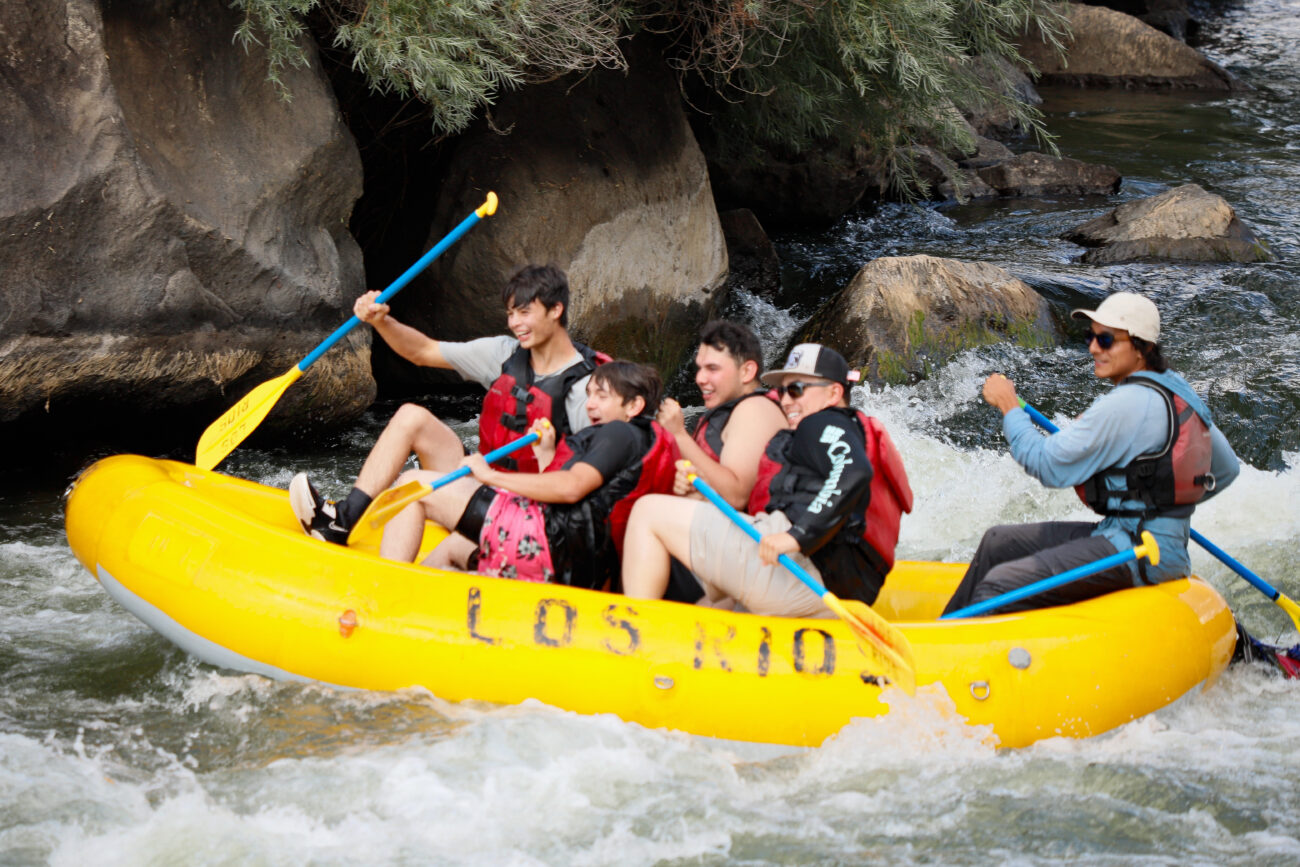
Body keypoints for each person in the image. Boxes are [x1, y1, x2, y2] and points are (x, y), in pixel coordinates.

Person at [941, 292, 1241, 616]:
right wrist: (1162, 504)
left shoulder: (1123, 405)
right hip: (1136, 538)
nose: (1093, 348)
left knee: (1000, 583)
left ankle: (954, 660)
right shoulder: (1178, 392)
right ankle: (939, 635)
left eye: (1106, 339)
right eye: (1091, 336)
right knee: (998, 542)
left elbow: (1047, 465)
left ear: (1142, 348)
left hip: (1140, 554)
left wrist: (1009, 407)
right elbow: (1225, 470)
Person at [290, 264, 607, 543]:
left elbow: (585, 486)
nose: (515, 323)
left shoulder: (587, 391)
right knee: (411, 417)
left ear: (556, 310)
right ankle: (343, 520)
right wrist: (381, 322)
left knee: (410, 484)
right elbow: (423, 352)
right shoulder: (504, 353)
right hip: (484, 482)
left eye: (525, 312)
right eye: (511, 313)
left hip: (531, 513)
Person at [622, 344, 913, 617]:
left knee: (648, 511)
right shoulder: (846, 431)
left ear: (834, 393)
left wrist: (797, 535)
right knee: (717, 602)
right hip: (834, 591)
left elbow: (852, 472)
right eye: (781, 390)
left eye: (797, 389)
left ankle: (637, 631)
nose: (785, 400)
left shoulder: (823, 421)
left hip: (799, 571)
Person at [380, 360, 679, 590]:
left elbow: (572, 488)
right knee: (455, 544)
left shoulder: (619, 433)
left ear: (634, 405)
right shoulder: (649, 441)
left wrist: (490, 476)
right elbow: (585, 498)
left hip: (548, 545)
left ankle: (382, 588)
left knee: (413, 485)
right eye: (589, 394)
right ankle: (415, 600)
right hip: (577, 563)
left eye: (602, 396)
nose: (590, 404)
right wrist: (546, 454)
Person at [655, 320, 788, 602]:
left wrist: (679, 435)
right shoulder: (726, 412)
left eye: (712, 369)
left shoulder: (755, 409)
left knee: (645, 511)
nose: (700, 379)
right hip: (727, 549)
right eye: (700, 368)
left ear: (747, 371)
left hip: (757, 555)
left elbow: (736, 493)